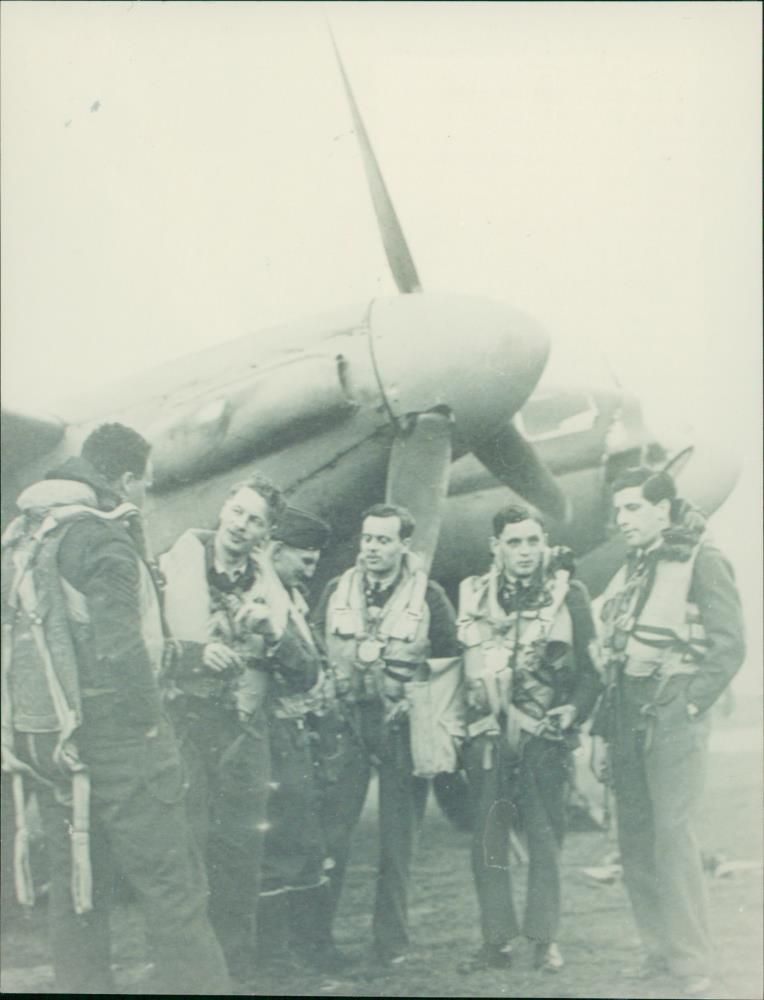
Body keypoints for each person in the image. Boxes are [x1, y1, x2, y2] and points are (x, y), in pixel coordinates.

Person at [0, 423, 230, 995]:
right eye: (143, 484)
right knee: (174, 891)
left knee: (79, 893)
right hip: (123, 745)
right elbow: (123, 650)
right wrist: (153, 725)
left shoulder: (29, 536)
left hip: (54, 744)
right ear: (125, 478)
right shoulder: (103, 538)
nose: (143, 496)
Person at [159, 475, 319, 985]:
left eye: (254, 521)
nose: (240, 525)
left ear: (266, 535)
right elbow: (134, 647)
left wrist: (273, 632)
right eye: (237, 511)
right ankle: (184, 969)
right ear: (223, 507)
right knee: (183, 853)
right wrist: (193, 653)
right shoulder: (172, 567)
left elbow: (307, 672)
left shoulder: (270, 588)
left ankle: (235, 968)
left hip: (245, 736)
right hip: (184, 729)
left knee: (240, 857)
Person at [593, 467, 745, 997]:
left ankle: (692, 962)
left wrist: (691, 703)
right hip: (628, 713)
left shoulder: (703, 559)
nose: (623, 519)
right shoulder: (634, 567)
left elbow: (729, 644)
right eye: (618, 510)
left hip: (673, 712)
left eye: (633, 508)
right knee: (634, 838)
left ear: (664, 509)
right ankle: (658, 954)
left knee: (672, 837)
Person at [457, 504, 601, 974]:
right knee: (490, 840)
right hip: (489, 736)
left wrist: (573, 710)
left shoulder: (570, 594)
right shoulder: (474, 595)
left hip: (545, 737)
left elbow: (592, 673)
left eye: (533, 541)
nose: (524, 551)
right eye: (514, 542)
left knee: (544, 841)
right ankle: (496, 941)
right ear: (496, 547)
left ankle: (544, 940)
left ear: (545, 544)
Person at [314, 503, 459, 965]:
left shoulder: (429, 595)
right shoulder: (338, 590)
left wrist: (433, 727)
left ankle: (389, 945)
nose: (372, 549)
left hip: (401, 729)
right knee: (332, 837)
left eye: (383, 540)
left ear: (403, 545)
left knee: (398, 844)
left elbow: (452, 661)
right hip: (346, 726)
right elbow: (315, 647)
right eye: (367, 538)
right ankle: (318, 941)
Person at [255, 506, 334, 970]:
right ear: (277, 552)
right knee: (279, 845)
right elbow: (299, 668)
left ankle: (312, 949)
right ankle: (278, 956)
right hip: (274, 733)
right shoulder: (264, 600)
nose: (311, 570)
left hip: (299, 736)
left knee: (306, 844)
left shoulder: (292, 598)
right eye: (304, 561)